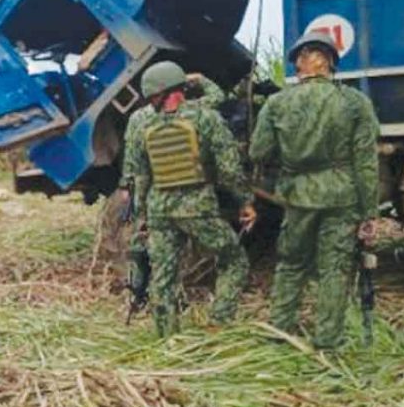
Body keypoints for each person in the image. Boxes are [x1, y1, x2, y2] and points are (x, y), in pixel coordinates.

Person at [250, 30, 379, 350]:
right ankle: (327, 344)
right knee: (334, 269)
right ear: (332, 64)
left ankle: (279, 335)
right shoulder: (354, 103)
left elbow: (257, 152)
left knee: (291, 265)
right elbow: (366, 163)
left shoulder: (277, 104)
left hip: (297, 196)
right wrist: (370, 213)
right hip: (342, 196)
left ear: (297, 66)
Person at [123, 62, 256, 336]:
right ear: (180, 87)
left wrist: (142, 218)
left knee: (163, 275)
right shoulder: (204, 116)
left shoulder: (140, 123)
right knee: (234, 260)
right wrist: (245, 202)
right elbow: (229, 170)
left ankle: (165, 337)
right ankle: (218, 323)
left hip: (160, 210)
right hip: (198, 207)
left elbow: (139, 176)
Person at [119, 71, 230, 315]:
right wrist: (199, 79)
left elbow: (134, 163)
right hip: (190, 196)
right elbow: (217, 96)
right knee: (225, 257)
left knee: (154, 260)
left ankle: (145, 306)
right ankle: (207, 313)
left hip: (154, 196)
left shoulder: (139, 119)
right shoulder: (196, 111)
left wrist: (134, 199)